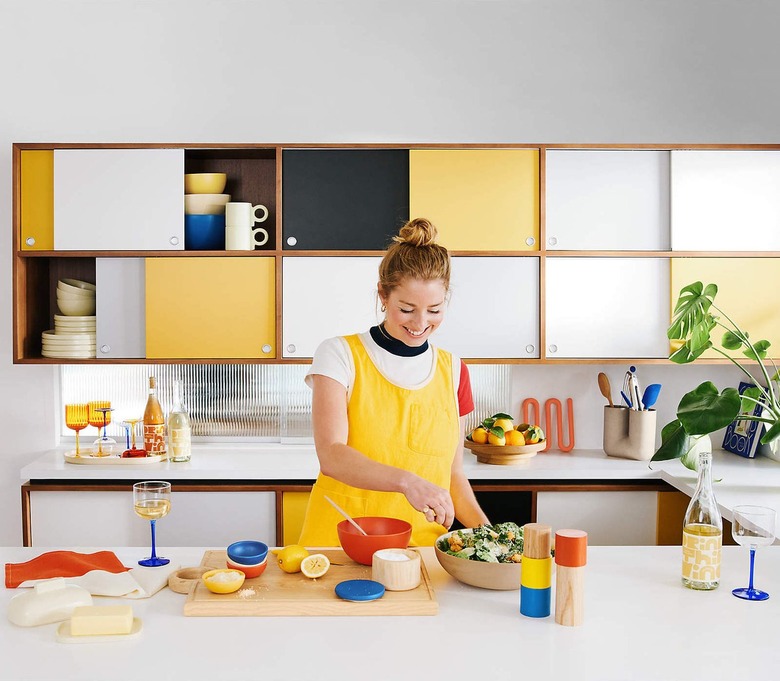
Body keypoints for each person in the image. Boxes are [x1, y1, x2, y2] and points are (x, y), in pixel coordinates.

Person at [298, 217, 490, 547]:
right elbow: (331, 454)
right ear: (383, 296)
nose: (420, 323)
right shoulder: (340, 355)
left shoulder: (454, 370)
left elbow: (453, 476)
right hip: (340, 545)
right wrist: (407, 482)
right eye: (406, 308)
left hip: (420, 550)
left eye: (434, 310)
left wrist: (493, 536)